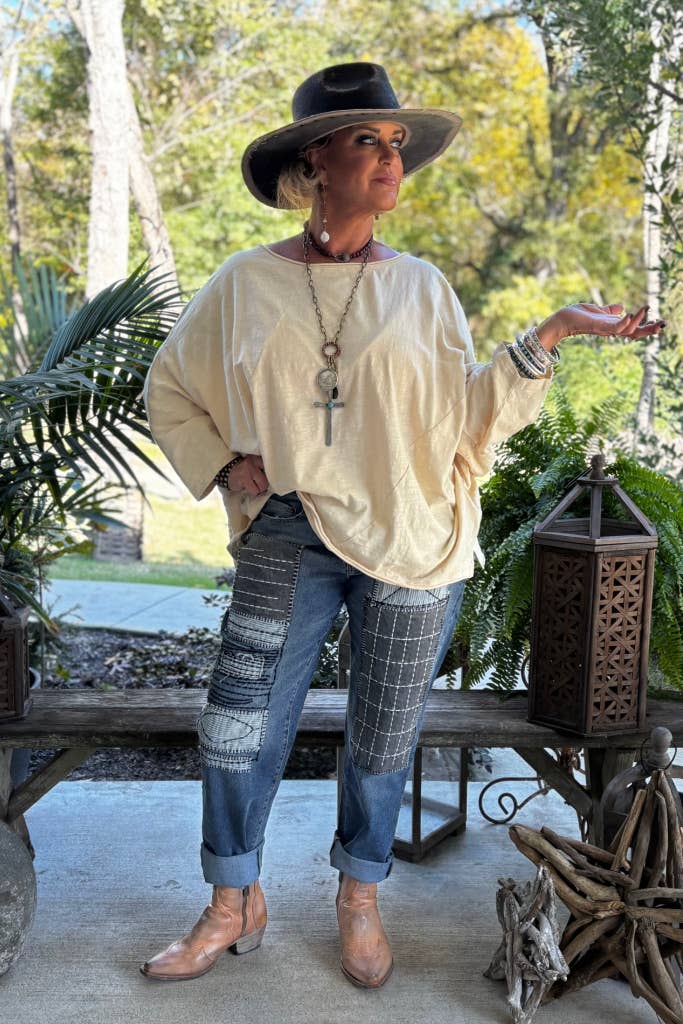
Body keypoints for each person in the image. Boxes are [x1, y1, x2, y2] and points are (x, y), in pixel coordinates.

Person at [139, 62, 665, 989]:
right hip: (289, 527)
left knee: (383, 732)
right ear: (316, 159)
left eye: (395, 144)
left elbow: (464, 418)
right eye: (366, 141)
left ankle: (359, 897)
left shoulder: (421, 287)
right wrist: (223, 465)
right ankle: (232, 900)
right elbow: (171, 386)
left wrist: (549, 332)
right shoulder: (245, 282)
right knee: (237, 724)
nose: (390, 159)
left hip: (411, 536)